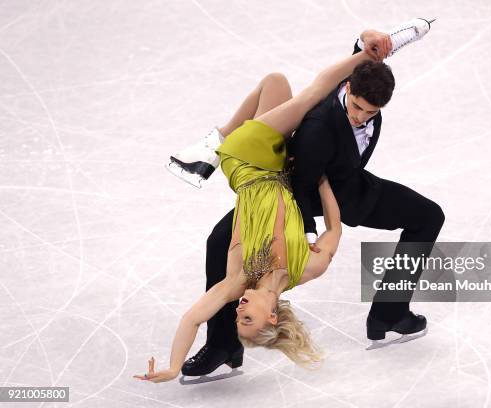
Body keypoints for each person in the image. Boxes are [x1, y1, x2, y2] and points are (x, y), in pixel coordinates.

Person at [134, 26, 415, 383]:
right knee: (282, 85)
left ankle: (213, 147)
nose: (240, 310)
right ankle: (367, 53)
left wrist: (173, 367)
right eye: (247, 318)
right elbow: (335, 228)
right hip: (281, 171)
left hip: (249, 163)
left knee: (291, 91)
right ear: (272, 317)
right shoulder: (307, 268)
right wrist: (323, 182)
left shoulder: (237, 281)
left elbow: (192, 317)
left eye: (237, 318)